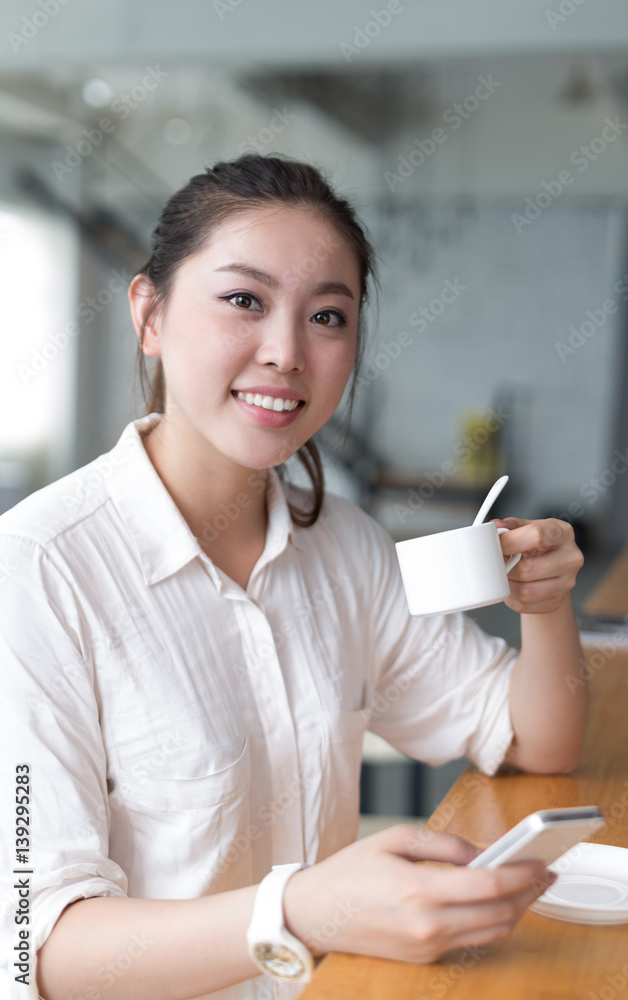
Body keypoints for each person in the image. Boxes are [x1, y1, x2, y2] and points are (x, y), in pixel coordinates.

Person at [0, 153, 586, 1000]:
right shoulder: (37, 572)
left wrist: (546, 605)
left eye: (327, 316)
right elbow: (34, 950)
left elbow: (536, 740)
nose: (285, 352)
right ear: (150, 315)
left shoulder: (346, 549)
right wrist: (305, 909)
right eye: (243, 300)